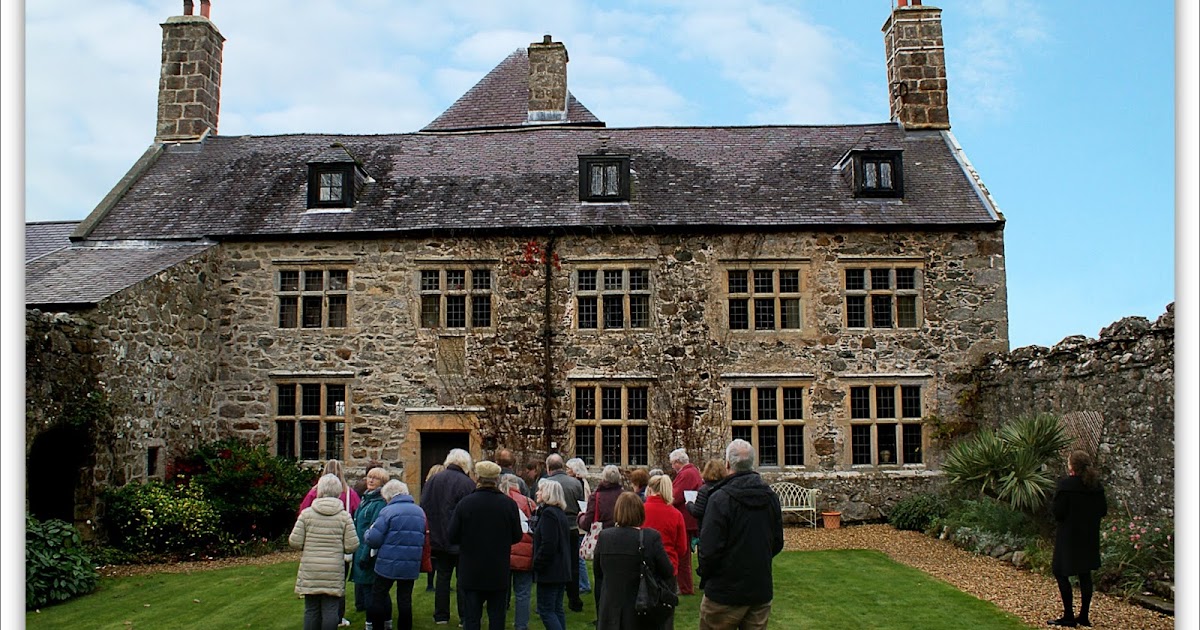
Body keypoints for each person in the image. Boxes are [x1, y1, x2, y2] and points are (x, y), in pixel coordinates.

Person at [697, 439, 783, 630]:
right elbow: (777, 542)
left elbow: (709, 549)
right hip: (758, 590)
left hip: (724, 593)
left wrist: (706, 574)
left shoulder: (720, 498)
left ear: (727, 464)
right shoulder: (770, 497)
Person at [448, 461, 524, 630]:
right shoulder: (508, 504)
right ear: (497, 479)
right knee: (497, 618)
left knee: (472, 618)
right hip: (498, 570)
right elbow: (517, 535)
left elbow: (452, 535)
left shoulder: (465, 503)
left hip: (471, 570)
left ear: (477, 478)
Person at [594, 492, 675, 630]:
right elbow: (668, 571)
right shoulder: (651, 537)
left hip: (613, 606)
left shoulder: (605, 537)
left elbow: (598, 572)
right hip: (641, 606)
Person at [290, 473, 360, 630]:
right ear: (338, 492)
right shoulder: (344, 517)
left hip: (311, 568)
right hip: (333, 568)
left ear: (319, 490)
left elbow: (294, 541)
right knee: (330, 609)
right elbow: (352, 545)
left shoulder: (306, 515)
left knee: (311, 609)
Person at [1048, 450, 1108, 628]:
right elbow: (1102, 511)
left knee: (1060, 571)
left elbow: (1058, 512)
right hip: (1088, 535)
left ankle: (1068, 615)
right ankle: (1083, 615)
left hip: (1069, 535)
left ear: (1072, 466)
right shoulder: (1095, 486)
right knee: (1085, 573)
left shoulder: (1066, 485)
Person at [421, 449, 476, 626]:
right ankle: (464, 616)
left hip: (438, 537)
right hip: (461, 538)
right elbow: (470, 514)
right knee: (463, 578)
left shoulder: (433, 481)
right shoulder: (467, 484)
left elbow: (425, 506)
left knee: (443, 577)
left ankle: (441, 615)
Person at [364, 480, 426, 630]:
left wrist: (367, 534)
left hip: (388, 561)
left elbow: (374, 539)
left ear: (389, 496)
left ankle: (378, 627)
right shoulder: (419, 511)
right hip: (411, 561)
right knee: (405, 600)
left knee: (378, 596)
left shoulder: (387, 511)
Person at [642, 474, 687, 630]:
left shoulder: (641, 510)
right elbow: (682, 548)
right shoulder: (675, 514)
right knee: (665, 616)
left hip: (643, 567)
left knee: (642, 611)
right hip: (668, 568)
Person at [581, 465, 625, 618]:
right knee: (619, 578)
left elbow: (587, 523)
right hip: (622, 539)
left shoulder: (596, 496)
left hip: (603, 541)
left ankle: (602, 615)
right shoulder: (624, 495)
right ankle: (618, 614)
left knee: (600, 578)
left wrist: (581, 517)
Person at [544, 453, 586, 612]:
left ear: (548, 468)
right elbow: (580, 504)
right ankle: (574, 600)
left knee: (553, 562)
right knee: (573, 564)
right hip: (572, 527)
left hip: (553, 526)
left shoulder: (546, 482)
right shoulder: (575, 483)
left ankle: (553, 599)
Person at [532, 478, 573, 630]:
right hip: (560, 568)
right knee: (556, 608)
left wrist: (537, 563)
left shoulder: (549, 514)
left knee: (546, 610)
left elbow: (549, 544)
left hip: (551, 570)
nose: (537, 492)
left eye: (540, 490)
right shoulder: (559, 513)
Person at [352, 467, 391, 617]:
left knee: (372, 590)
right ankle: (381, 620)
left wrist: (365, 555)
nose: (371, 480)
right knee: (369, 589)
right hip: (360, 549)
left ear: (382, 483)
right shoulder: (365, 499)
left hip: (370, 553)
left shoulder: (379, 503)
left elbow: (374, 530)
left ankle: (374, 622)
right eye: (369, 477)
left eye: (375, 478)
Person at [501, 474, 537, 630]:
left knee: (500, 591)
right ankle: (521, 626)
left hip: (502, 551)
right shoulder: (529, 503)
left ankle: (498, 623)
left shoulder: (499, 503)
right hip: (525, 552)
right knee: (523, 592)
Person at [667, 449, 702, 596]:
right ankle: (684, 586)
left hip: (685, 520)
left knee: (683, 556)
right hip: (688, 519)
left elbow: (675, 496)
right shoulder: (692, 472)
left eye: (672, 464)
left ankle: (685, 587)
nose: (672, 467)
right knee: (683, 555)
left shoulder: (686, 474)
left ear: (677, 462)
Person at [566, 457, 593, 596]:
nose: (566, 471)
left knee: (579, 556)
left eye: (568, 469)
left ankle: (584, 584)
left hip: (579, 523)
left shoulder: (579, 484)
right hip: (580, 521)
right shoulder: (582, 482)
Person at [686, 459, 727, 527]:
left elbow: (697, 512)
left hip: (707, 526)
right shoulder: (726, 487)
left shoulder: (704, 490)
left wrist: (689, 504)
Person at [423, 463, 444, 593]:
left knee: (433, 554)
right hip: (436, 523)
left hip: (431, 523)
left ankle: (431, 583)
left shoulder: (427, 488)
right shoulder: (438, 489)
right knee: (437, 555)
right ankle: (432, 583)